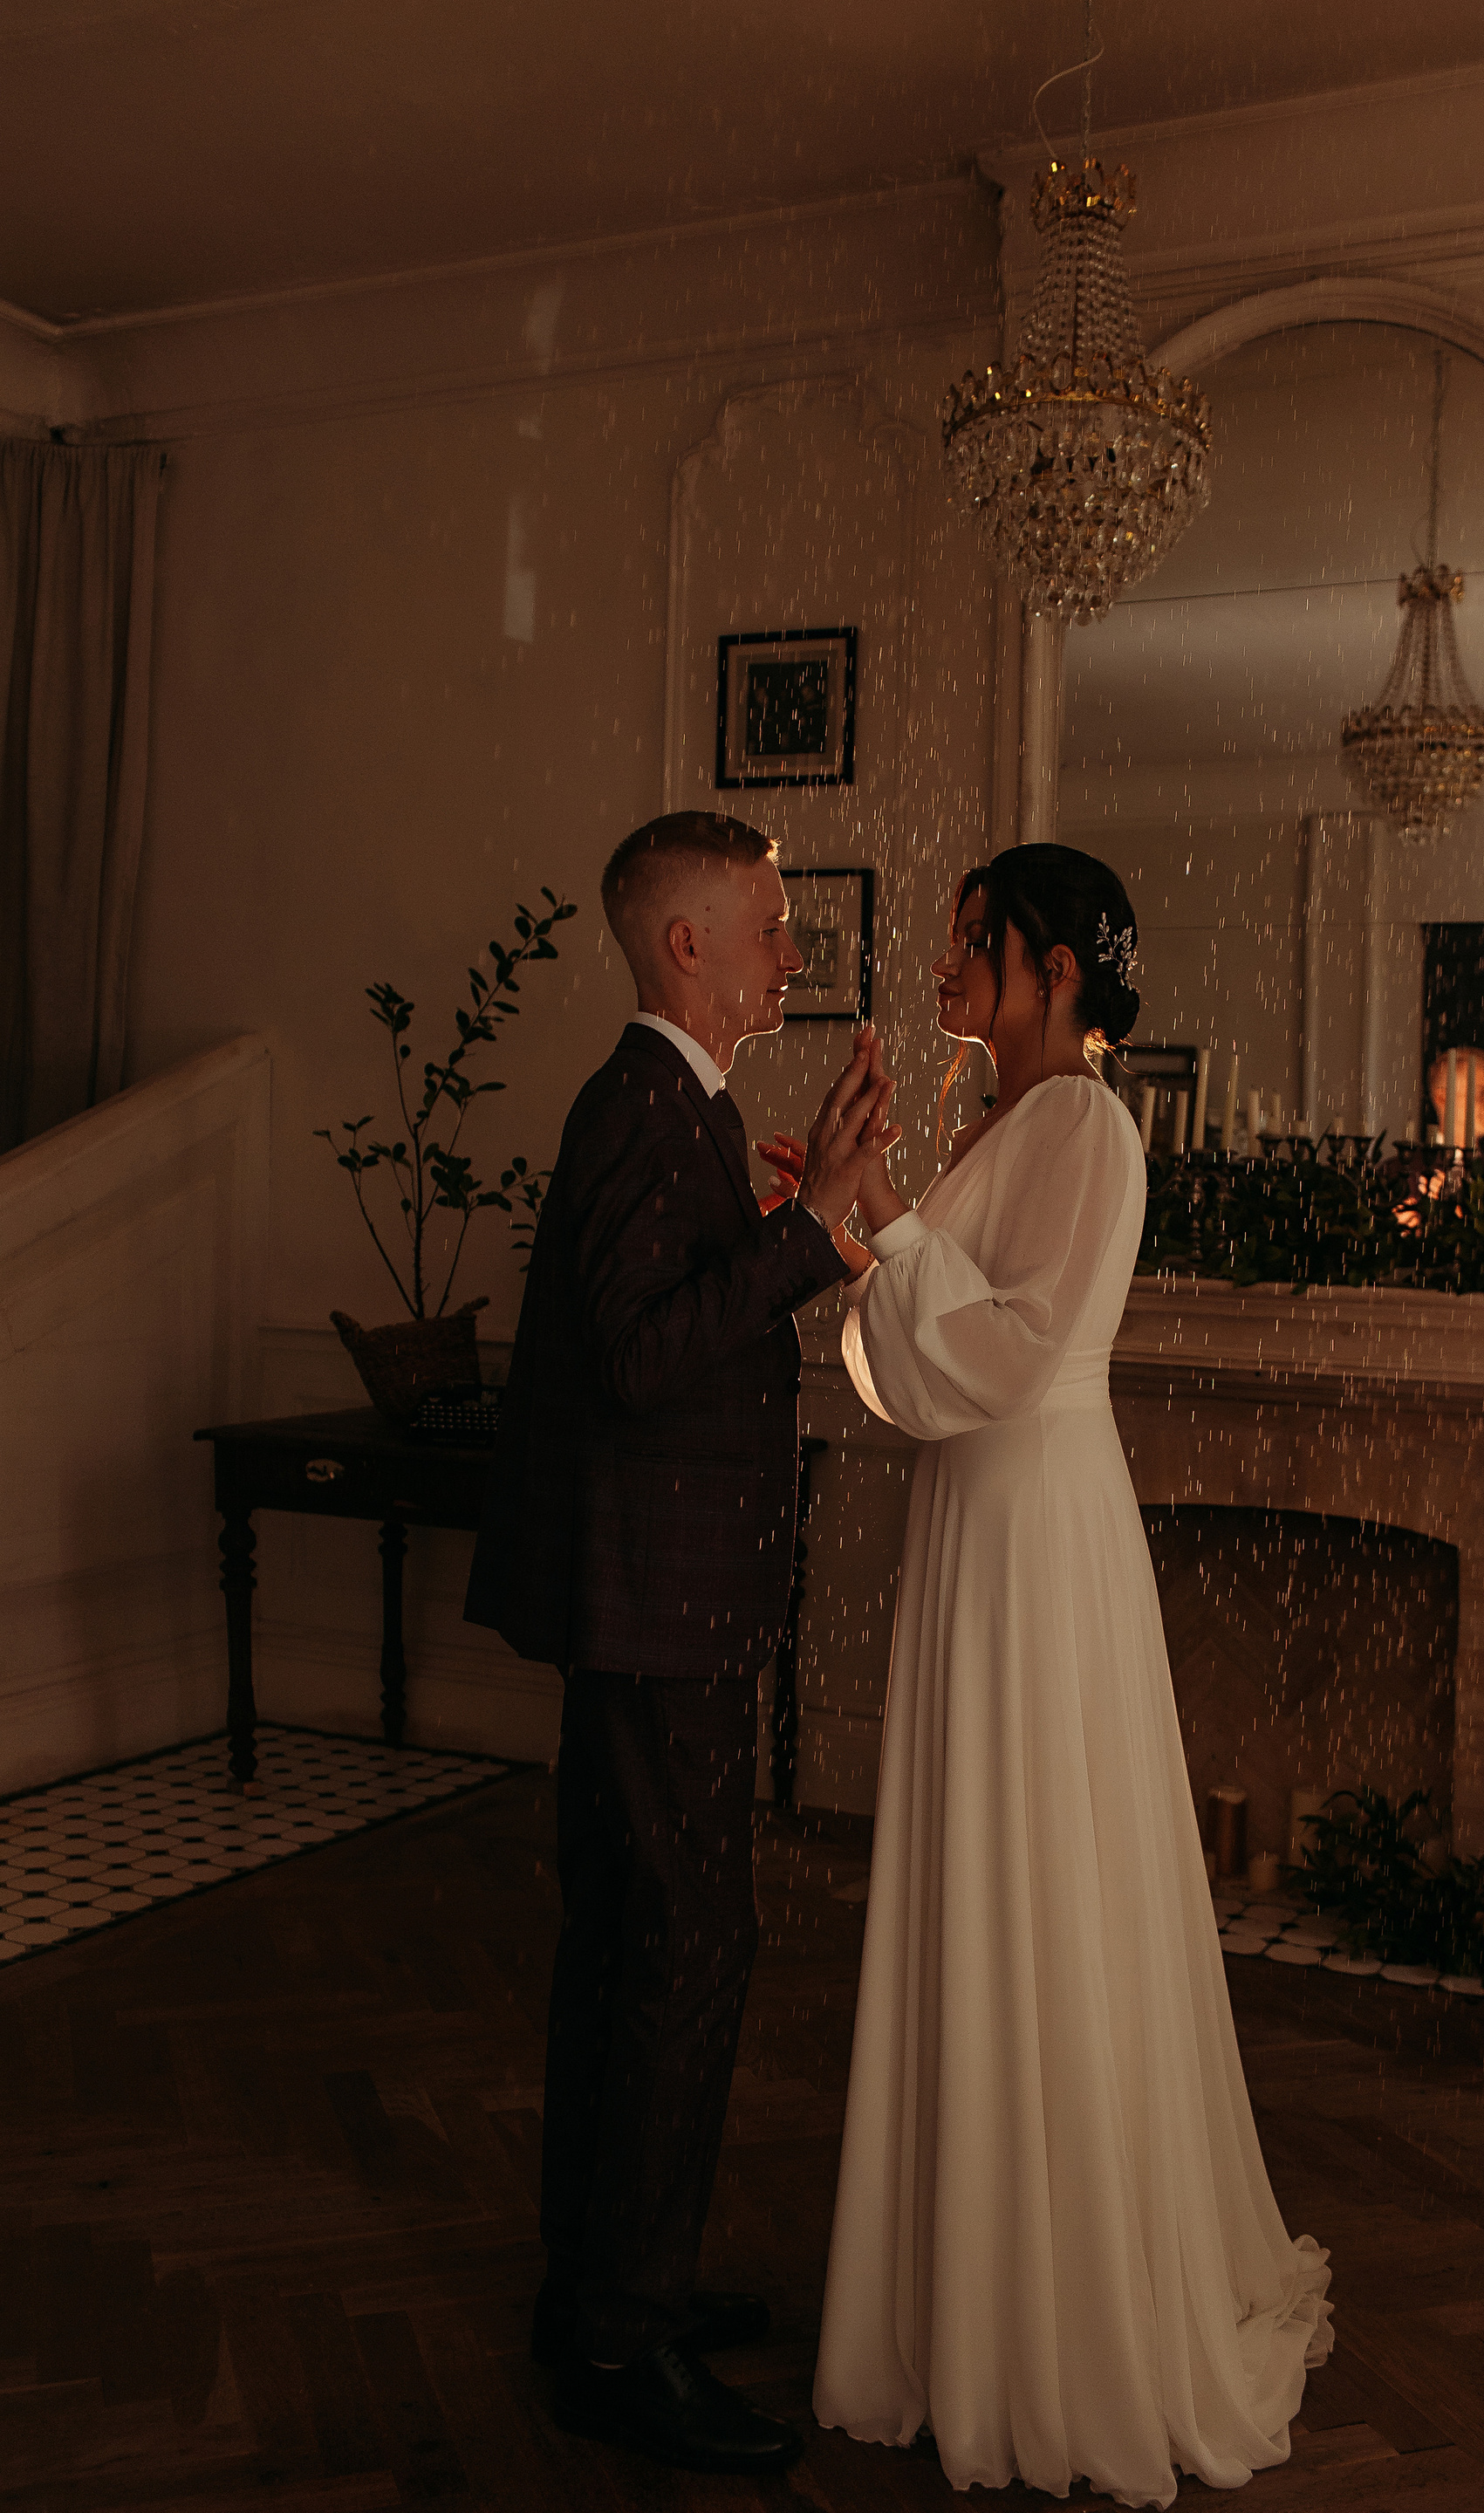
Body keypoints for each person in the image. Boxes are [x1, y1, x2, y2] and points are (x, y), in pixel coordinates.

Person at [796, 842, 1333, 2504]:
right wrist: (862, 1219)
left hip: (1037, 1527)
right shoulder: (1001, 1126)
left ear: (1057, 969)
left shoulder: (1091, 1125)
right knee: (984, 1871)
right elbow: (929, 1345)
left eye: (976, 940)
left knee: (1044, 1871)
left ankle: (1060, 2311)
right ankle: (972, 2291)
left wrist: (885, 1224)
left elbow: (1017, 1354)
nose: (946, 966)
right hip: (980, 1515)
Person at [464, 809, 892, 2477]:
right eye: (768, 926)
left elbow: (667, 1317)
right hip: (659, 1613)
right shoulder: (644, 1106)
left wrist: (808, 1202)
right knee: (686, 1951)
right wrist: (813, 1231)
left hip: (656, 1604)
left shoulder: (677, 1105)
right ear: (685, 945)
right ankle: (619, 2338)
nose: (792, 950)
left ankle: (603, 2287)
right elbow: (645, 1357)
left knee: (632, 1946)